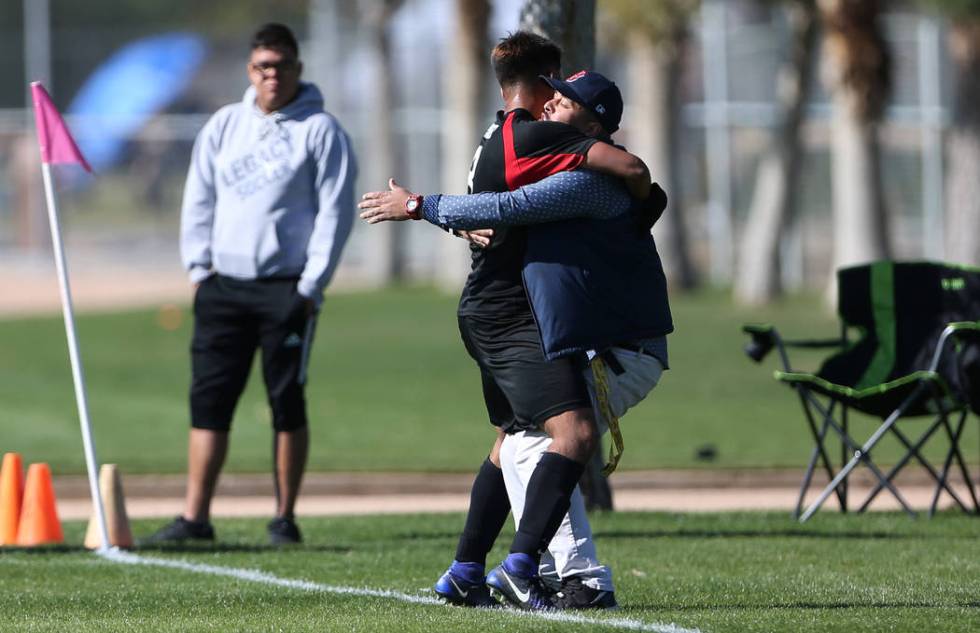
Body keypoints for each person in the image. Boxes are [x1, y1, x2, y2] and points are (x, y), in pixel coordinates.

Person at [362, 32, 657, 610]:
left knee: (529, 443)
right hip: (541, 324)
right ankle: (526, 570)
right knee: (536, 440)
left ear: (590, 125)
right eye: (550, 91)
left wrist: (424, 207)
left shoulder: (581, 178)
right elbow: (509, 213)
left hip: (619, 347)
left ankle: (515, 571)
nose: (550, 103)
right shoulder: (543, 155)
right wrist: (454, 221)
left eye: (564, 100)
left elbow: (514, 208)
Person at [144, 23, 357, 546]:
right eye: (263, 66)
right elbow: (199, 198)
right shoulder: (224, 125)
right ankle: (195, 517)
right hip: (223, 286)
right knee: (209, 400)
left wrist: (311, 285)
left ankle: (284, 517)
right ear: (250, 70)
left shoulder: (320, 130)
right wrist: (199, 270)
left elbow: (335, 213)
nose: (272, 76)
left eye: (281, 65)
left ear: (297, 69)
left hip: (285, 287)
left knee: (286, 401)